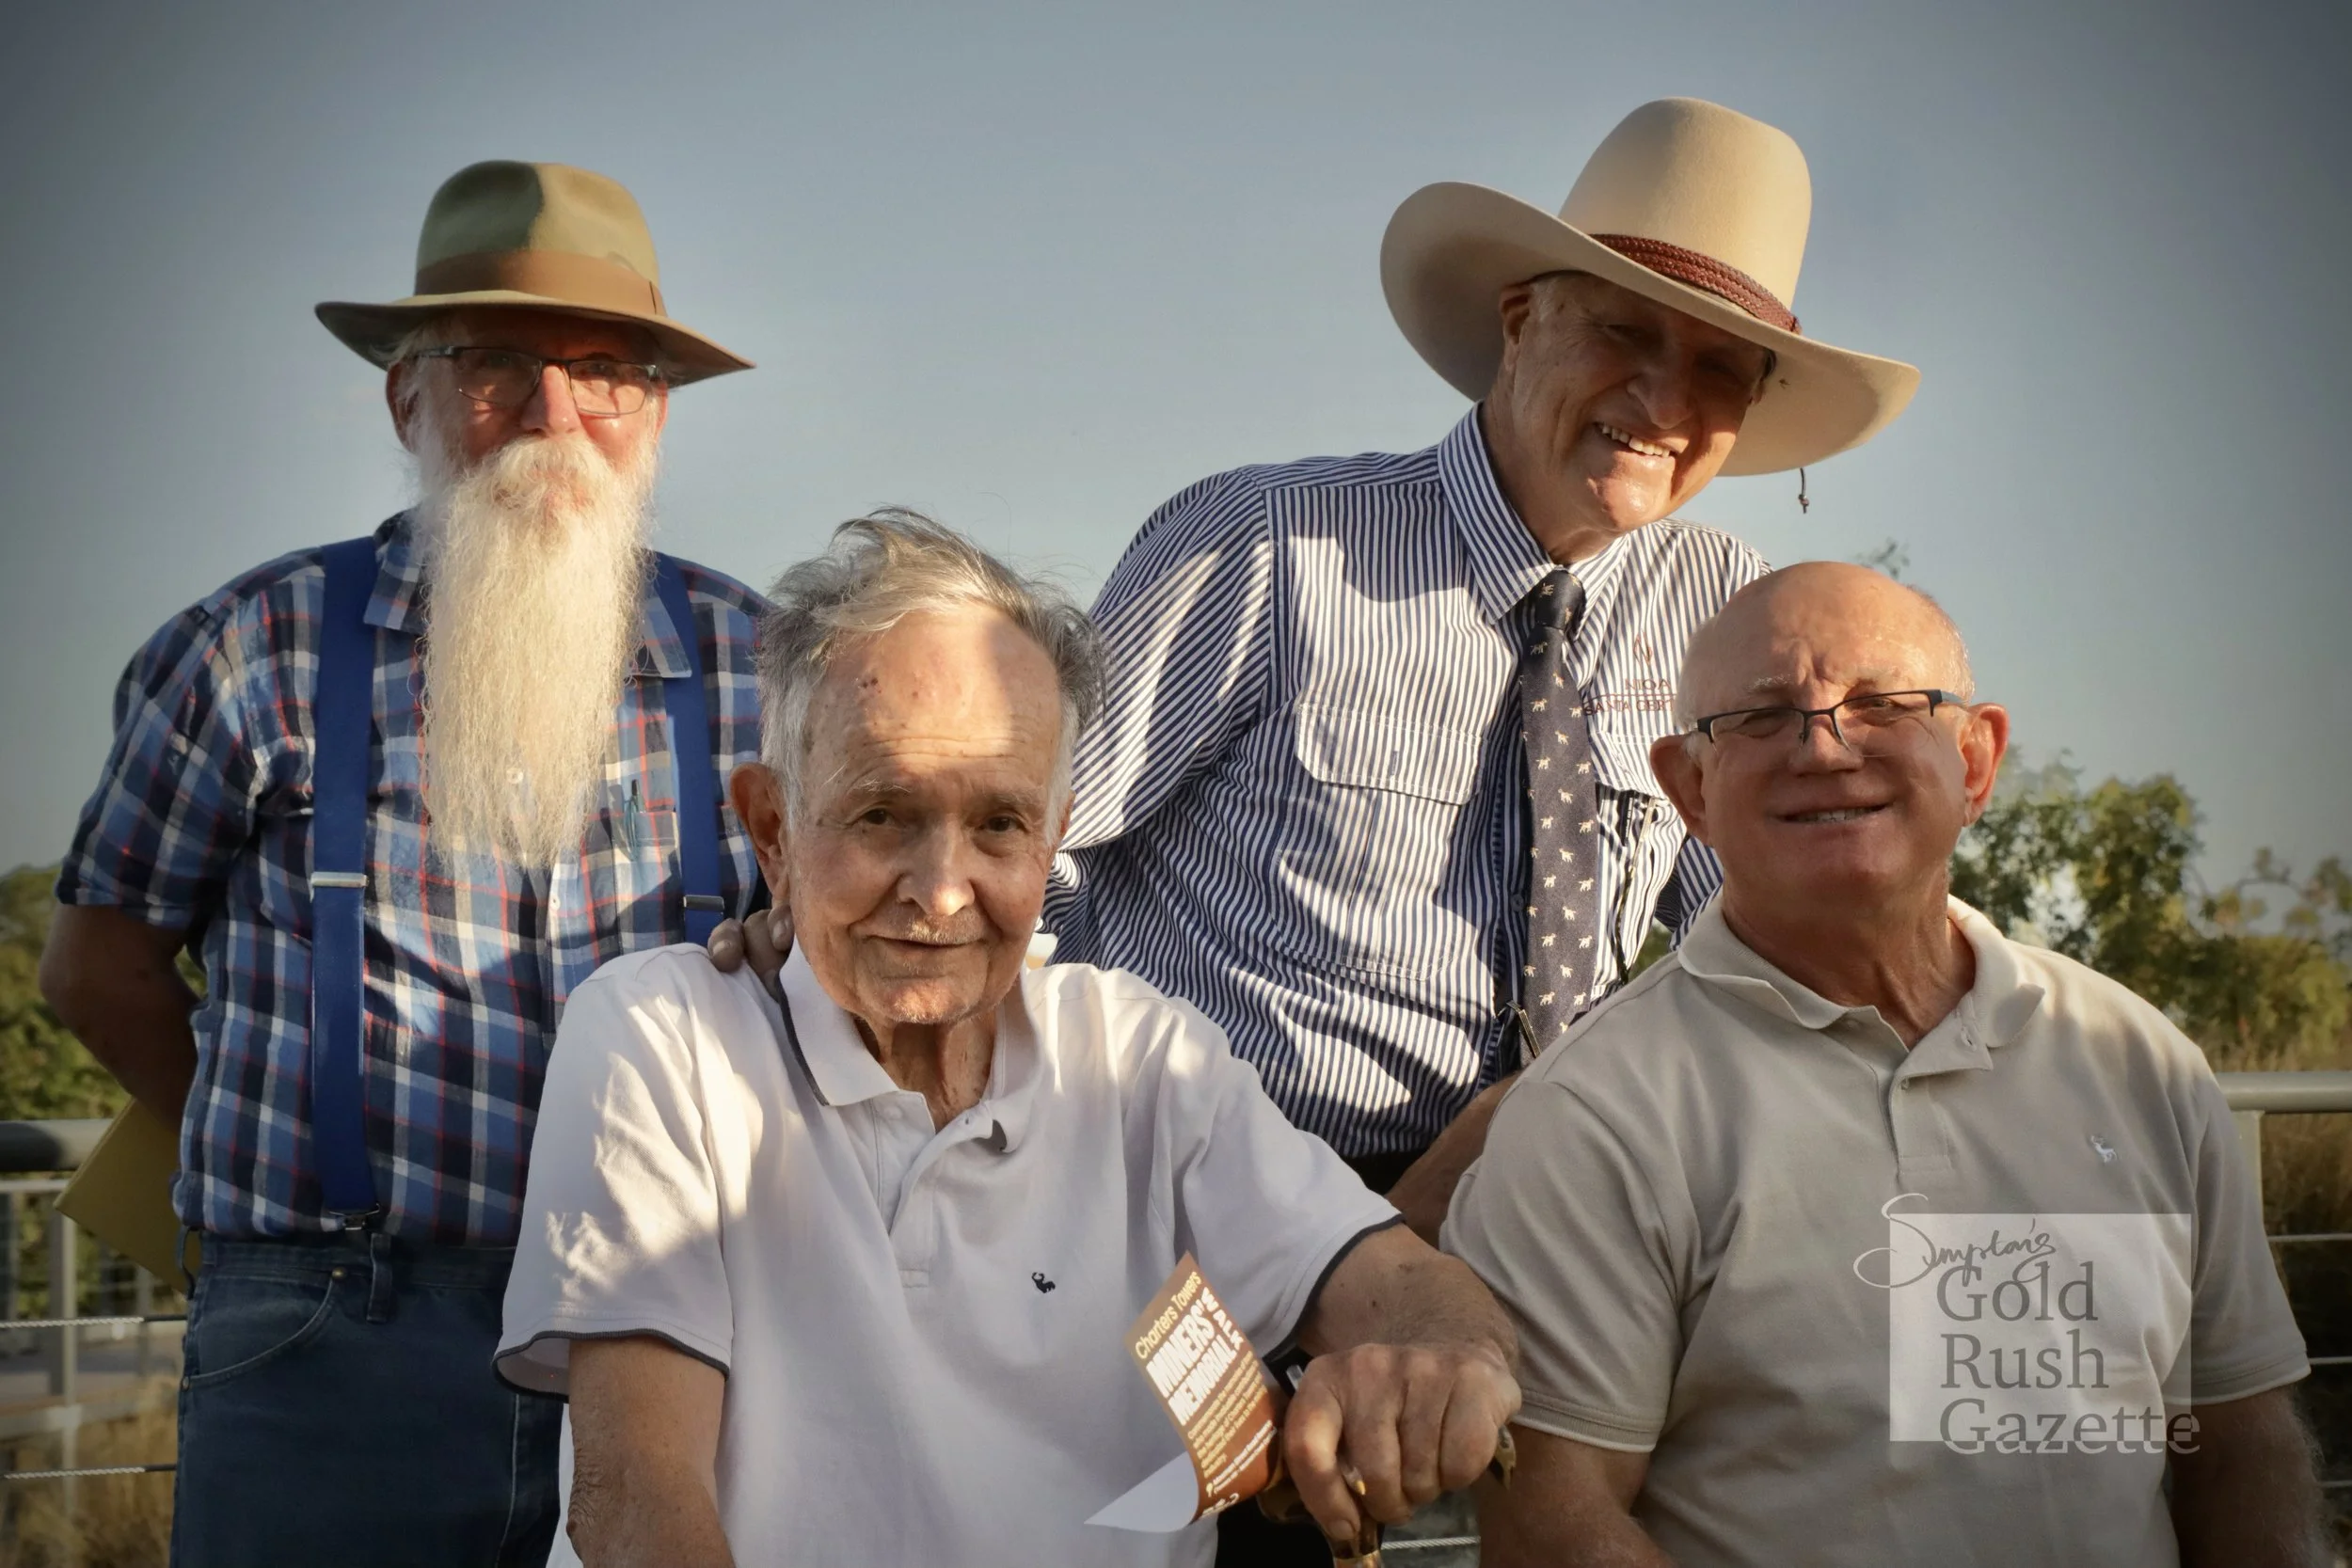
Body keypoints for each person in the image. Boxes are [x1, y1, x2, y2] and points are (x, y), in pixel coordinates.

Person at [498, 513, 1522, 1568]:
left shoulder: (1137, 1055)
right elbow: (637, 1504)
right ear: (772, 828)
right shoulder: (662, 1034)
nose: (942, 892)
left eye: (998, 823)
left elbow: (1392, 1278)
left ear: (1053, 830)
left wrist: (1449, 1358)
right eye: (882, 813)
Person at [1040, 95, 1924, 1259]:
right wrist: (1044, 1124)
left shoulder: (1723, 606)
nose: (1664, 401)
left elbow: (1765, 917)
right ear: (1521, 322)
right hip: (1210, 1210)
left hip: (1559, 1217)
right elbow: (1022, 843)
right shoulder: (1265, 544)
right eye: (1625, 333)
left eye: (1720, 367)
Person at [38, 161, 767, 1565]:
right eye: (497, 363)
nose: (556, 416)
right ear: (407, 396)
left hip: (677, 1338)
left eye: (606, 371)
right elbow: (98, 963)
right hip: (329, 1330)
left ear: (655, 411)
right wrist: (285, 1148)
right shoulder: (257, 646)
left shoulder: (762, 665)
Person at [1447, 562, 2326, 1567]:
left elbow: (2241, 1439)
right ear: (1689, 787)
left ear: (1975, 759)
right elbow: (1556, 1522)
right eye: (1762, 716)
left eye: (1880, 703)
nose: (1822, 747)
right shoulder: (1593, 1113)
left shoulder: (2140, 1060)